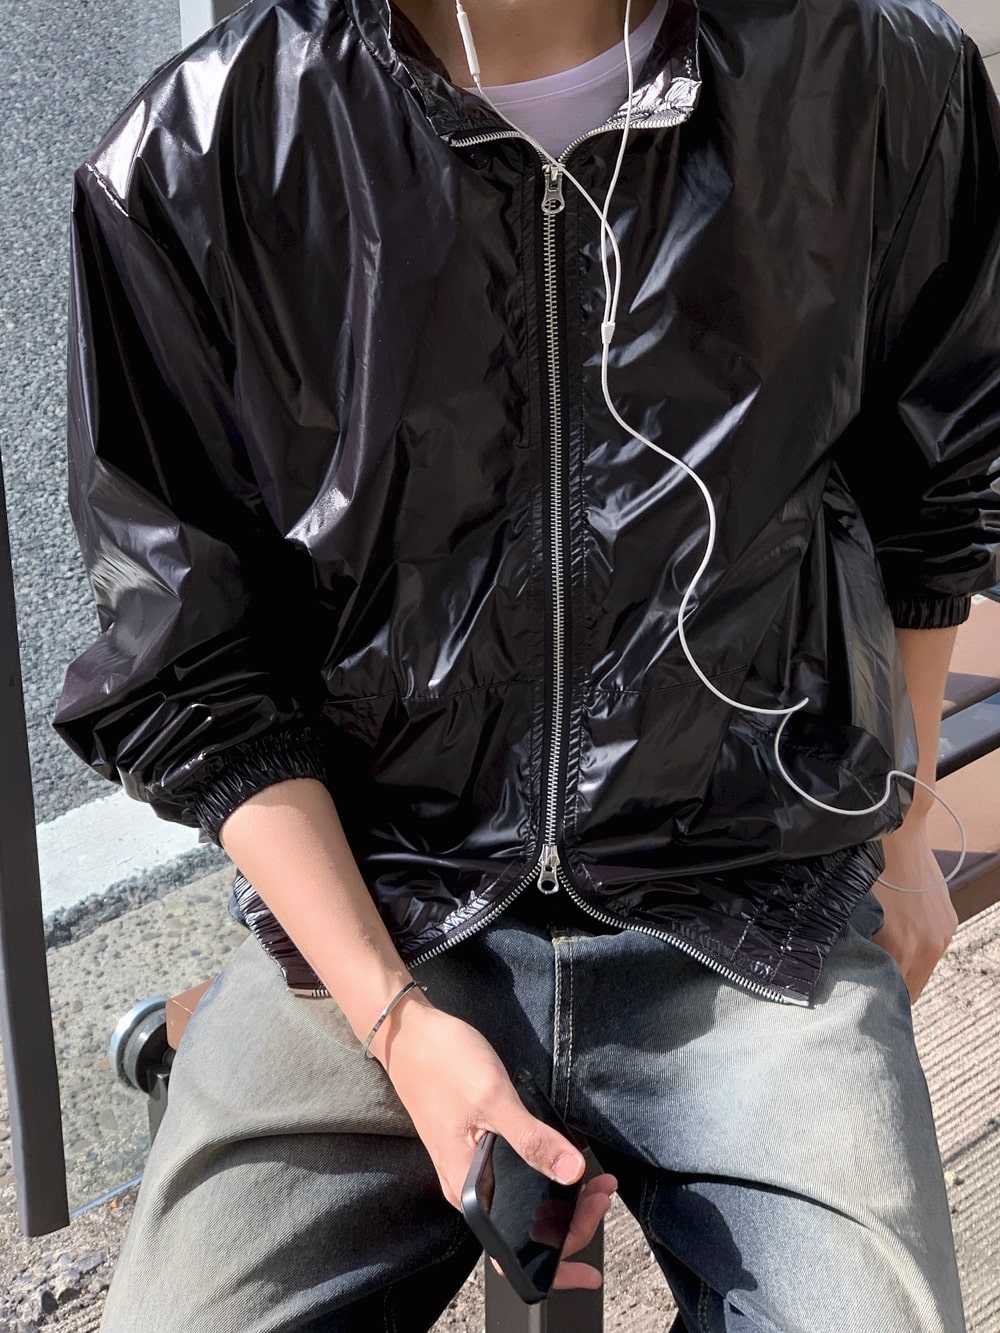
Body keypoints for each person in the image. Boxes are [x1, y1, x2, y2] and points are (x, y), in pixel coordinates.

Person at [55, 0, 1000, 1328]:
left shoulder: (878, 73)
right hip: (378, 908)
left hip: (753, 897)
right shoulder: (201, 151)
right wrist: (394, 1019)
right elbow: (189, 657)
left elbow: (935, 486)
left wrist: (900, 833)